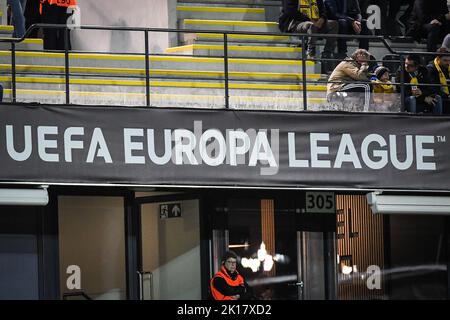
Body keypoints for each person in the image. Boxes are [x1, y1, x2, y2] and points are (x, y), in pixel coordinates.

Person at [427, 47, 450, 114]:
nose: (448, 63)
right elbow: (434, 89)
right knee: (438, 97)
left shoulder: (447, 67)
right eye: (445, 60)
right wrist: (447, 96)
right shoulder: (431, 69)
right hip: (438, 95)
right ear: (438, 58)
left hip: (446, 95)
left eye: (449, 60)